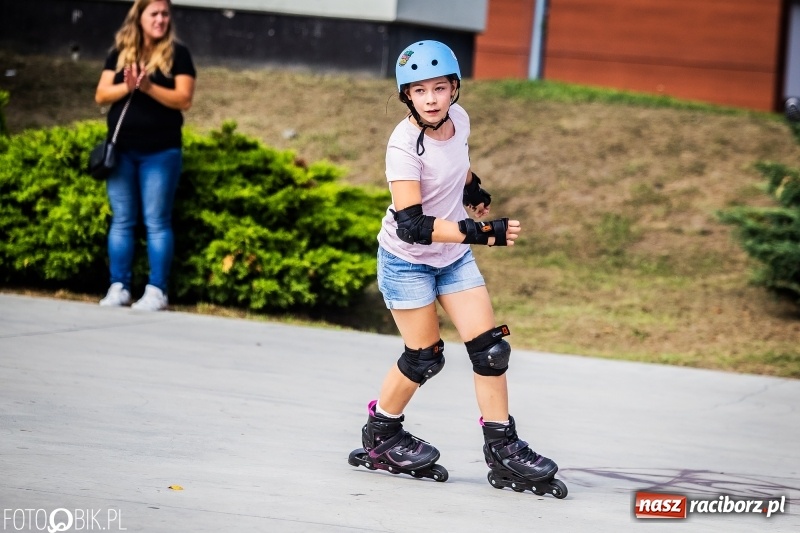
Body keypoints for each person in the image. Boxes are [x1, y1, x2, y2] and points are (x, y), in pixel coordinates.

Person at [348, 40, 566, 497]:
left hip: (451, 257)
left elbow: (457, 164)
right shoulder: (403, 145)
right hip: (407, 262)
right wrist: (481, 232)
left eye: (440, 88)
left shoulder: (459, 121)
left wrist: (473, 189)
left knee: (490, 351)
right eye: (420, 90)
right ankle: (382, 435)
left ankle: (503, 448)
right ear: (407, 95)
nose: (431, 98)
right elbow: (411, 225)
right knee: (425, 356)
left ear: (454, 89)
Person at [94, 0, 195, 311]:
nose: (161, 19)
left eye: (165, 14)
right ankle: (119, 286)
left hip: (161, 153)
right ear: (139, 17)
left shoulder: (178, 54)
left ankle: (156, 290)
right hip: (122, 151)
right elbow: (100, 95)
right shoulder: (120, 53)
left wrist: (149, 87)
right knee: (122, 221)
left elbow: (184, 99)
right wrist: (128, 86)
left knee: (156, 221)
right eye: (155, 13)